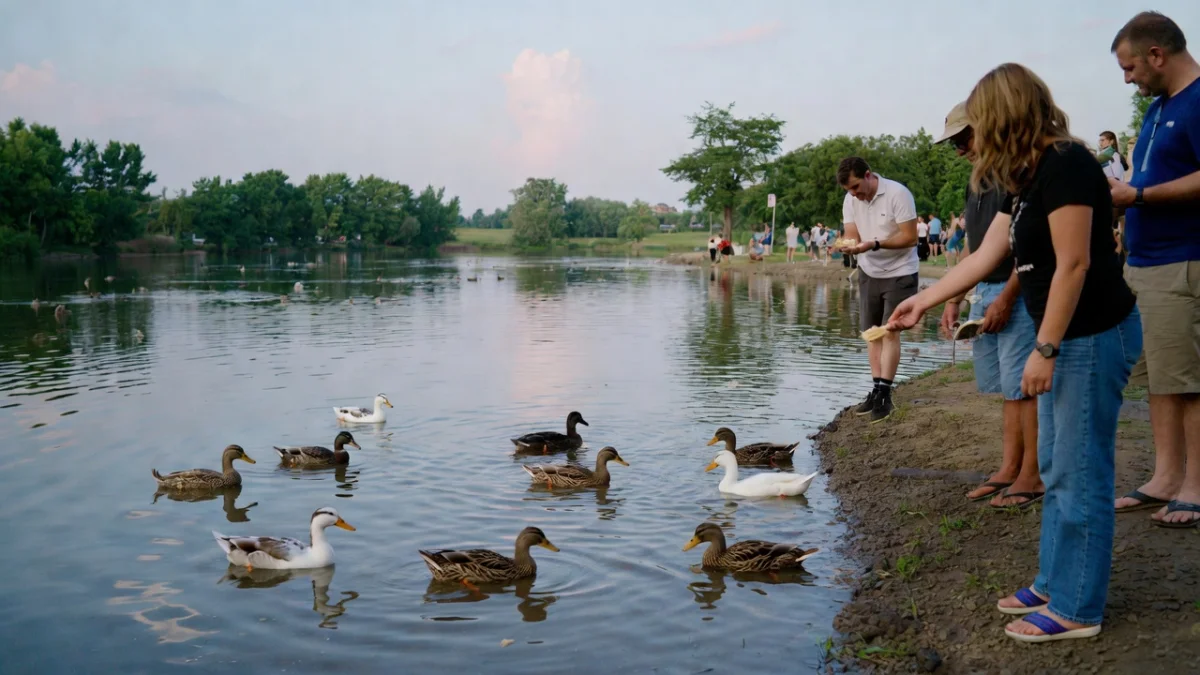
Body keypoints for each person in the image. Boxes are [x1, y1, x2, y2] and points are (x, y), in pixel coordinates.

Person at [890, 63, 1140, 644]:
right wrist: (922, 302)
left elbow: (1075, 264)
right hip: (1067, 336)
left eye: (980, 122)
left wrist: (1045, 346)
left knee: (1080, 471)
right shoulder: (1026, 176)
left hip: (1090, 335)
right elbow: (985, 256)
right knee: (1055, 465)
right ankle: (1056, 579)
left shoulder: (1070, 164)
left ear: (1006, 113)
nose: (973, 138)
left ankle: (1078, 607)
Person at [1109, 11, 1200, 527]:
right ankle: (1165, 477)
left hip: (1181, 260)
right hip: (1143, 262)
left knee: (1187, 380)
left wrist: (1138, 194)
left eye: (1129, 68)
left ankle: (1195, 485)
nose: (1128, 79)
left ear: (1156, 55)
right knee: (1159, 378)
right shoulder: (1158, 107)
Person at [934, 101, 1041, 509]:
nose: (960, 150)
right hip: (983, 294)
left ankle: (1031, 475)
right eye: (954, 144)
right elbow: (976, 250)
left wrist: (1006, 299)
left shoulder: (1018, 174)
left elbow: (1030, 247)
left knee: (1023, 389)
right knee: (1007, 391)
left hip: (1015, 292)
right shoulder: (977, 180)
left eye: (964, 139)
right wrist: (954, 298)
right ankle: (1008, 468)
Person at [835, 157, 919, 423]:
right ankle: (876, 389)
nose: (854, 194)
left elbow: (910, 237)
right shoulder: (851, 199)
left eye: (857, 187)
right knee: (872, 334)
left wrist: (874, 244)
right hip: (868, 271)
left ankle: (885, 393)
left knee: (890, 331)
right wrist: (848, 245)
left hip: (900, 271)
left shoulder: (898, 194)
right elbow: (852, 233)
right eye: (849, 190)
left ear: (869, 175)